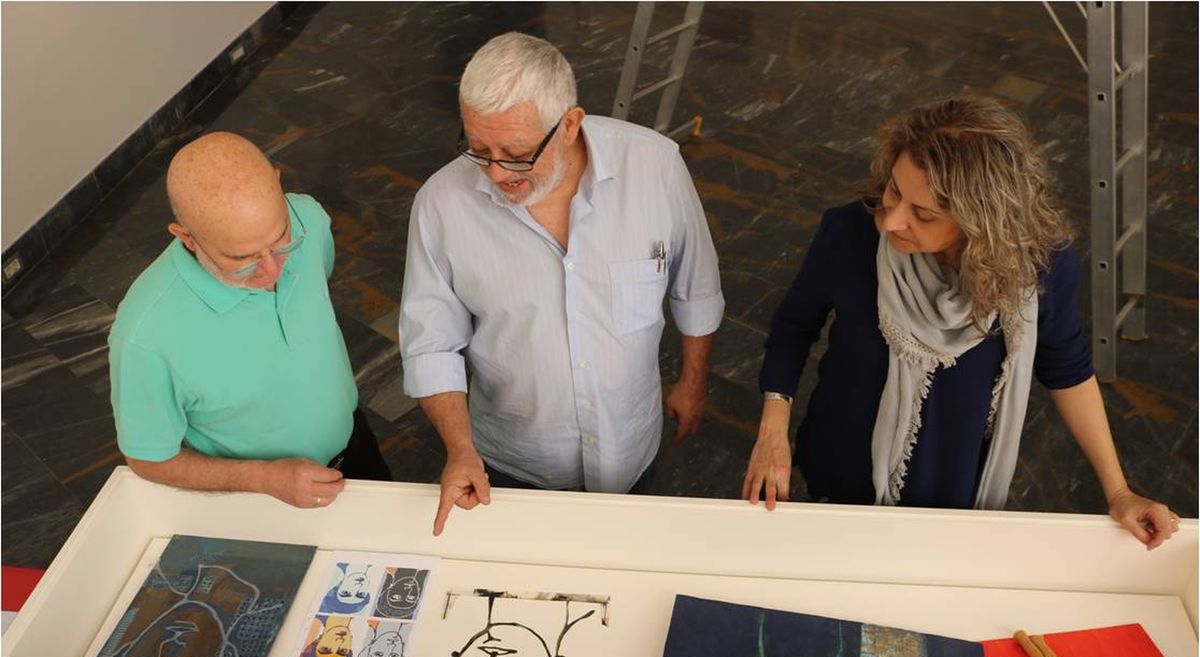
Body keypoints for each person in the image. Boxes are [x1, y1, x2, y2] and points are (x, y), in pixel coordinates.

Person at [742, 95, 1178, 550]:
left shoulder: (1039, 268)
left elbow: (1067, 366)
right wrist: (773, 431)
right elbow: (794, 327)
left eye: (924, 213)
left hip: (955, 495)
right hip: (841, 476)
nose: (891, 221)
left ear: (983, 222)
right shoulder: (849, 233)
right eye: (894, 190)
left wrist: (1120, 492)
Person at [400, 32, 724, 535]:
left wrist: (694, 380)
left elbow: (696, 285)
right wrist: (460, 450)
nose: (494, 172)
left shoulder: (655, 166)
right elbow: (430, 345)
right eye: (478, 148)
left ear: (570, 124)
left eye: (516, 152)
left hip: (630, 451)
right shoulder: (441, 205)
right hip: (510, 466)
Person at [108, 132, 391, 509]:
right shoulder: (144, 337)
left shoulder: (307, 219)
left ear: (278, 183)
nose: (273, 270)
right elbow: (149, 459)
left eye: (280, 241)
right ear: (187, 238)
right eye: (243, 259)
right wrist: (263, 478)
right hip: (256, 496)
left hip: (355, 445)